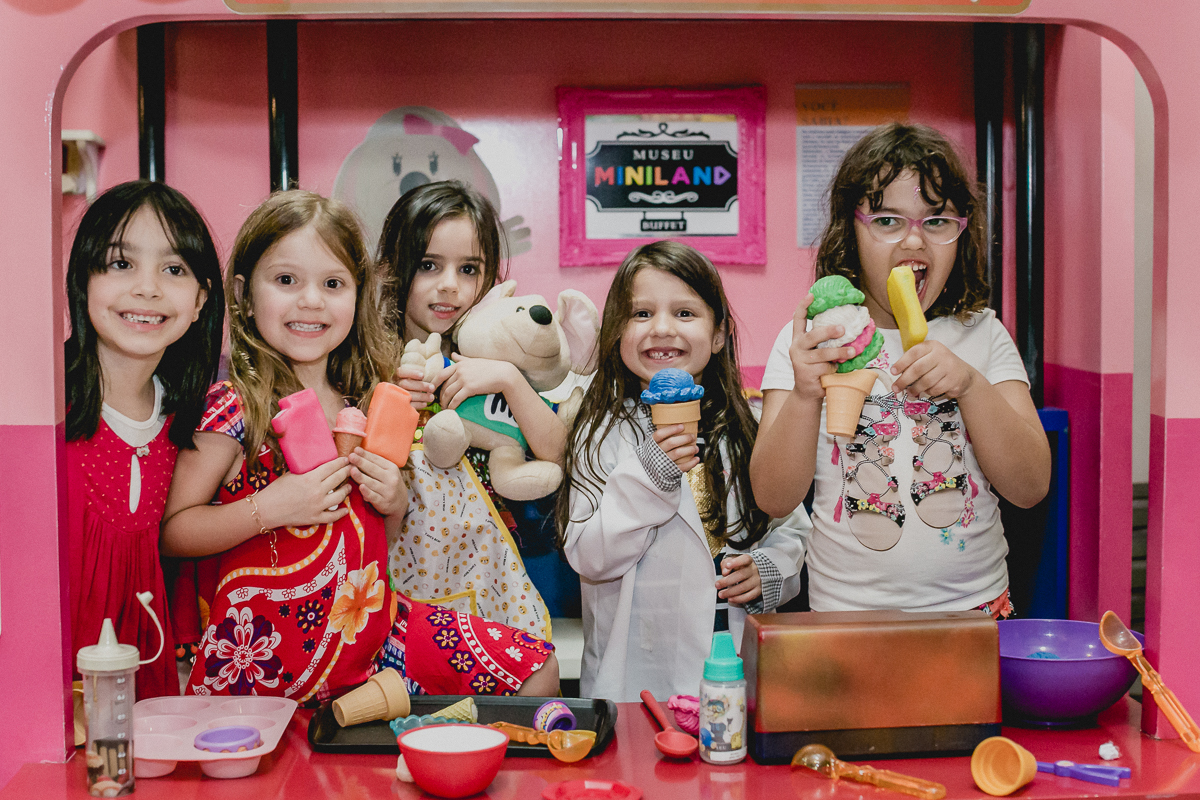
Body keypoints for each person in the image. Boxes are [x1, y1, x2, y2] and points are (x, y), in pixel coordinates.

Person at [750, 122, 1051, 617]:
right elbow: (773, 498)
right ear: (853, 228)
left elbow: (1031, 486)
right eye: (888, 221)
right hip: (847, 616)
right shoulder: (812, 339)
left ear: (961, 233)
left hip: (975, 611)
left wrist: (971, 386)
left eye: (936, 222)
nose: (914, 241)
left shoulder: (983, 334)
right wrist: (807, 395)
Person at [161, 190, 408, 701]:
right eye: (286, 280)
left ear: (358, 296)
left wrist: (396, 501)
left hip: (370, 644)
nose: (311, 300)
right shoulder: (233, 407)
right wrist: (270, 507)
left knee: (532, 667)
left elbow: (377, 542)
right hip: (259, 661)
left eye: (333, 283)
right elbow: (174, 532)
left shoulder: (366, 400)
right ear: (245, 295)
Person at [556, 240, 809, 702]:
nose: (662, 329)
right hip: (633, 676)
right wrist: (650, 472)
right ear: (615, 331)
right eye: (641, 314)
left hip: (732, 670)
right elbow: (589, 556)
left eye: (685, 313)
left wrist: (770, 570)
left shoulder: (748, 427)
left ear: (717, 335)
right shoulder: (600, 431)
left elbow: (791, 526)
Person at [376, 180, 563, 645]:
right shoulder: (366, 362)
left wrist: (508, 379)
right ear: (393, 268)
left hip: (488, 580)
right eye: (428, 265)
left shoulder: (500, 353)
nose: (449, 286)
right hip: (393, 587)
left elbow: (556, 453)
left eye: (468, 269)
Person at [66, 180, 224, 700]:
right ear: (82, 278)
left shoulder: (193, 424)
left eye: (174, 270)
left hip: (143, 699)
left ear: (201, 299)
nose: (148, 288)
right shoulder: (40, 410)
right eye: (120, 264)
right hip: (39, 695)